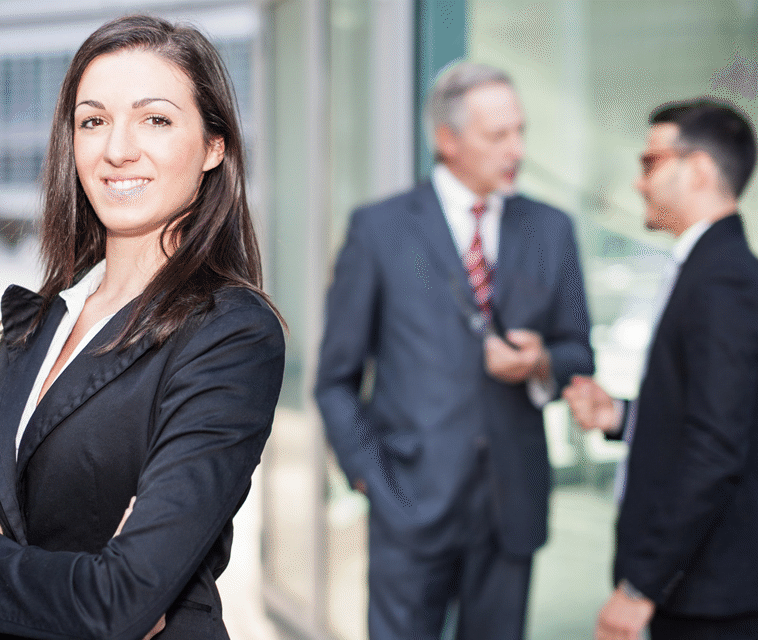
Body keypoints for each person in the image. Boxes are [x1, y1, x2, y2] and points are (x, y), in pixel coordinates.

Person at [0, 15, 285, 640]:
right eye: (93, 120)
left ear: (214, 146)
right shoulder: (41, 320)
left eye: (155, 119)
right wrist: (80, 587)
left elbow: (120, 602)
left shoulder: (229, 333)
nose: (117, 149)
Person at [314, 62, 593, 640]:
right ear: (448, 140)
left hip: (511, 507)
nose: (517, 148)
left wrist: (541, 363)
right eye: (499, 135)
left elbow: (578, 353)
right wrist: (369, 476)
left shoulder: (551, 229)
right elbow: (335, 379)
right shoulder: (378, 230)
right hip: (408, 503)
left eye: (521, 131)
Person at [563, 99, 758, 640]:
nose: (638, 183)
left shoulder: (723, 281)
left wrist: (639, 586)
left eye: (650, 163)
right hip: (697, 590)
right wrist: (620, 417)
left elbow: (717, 448)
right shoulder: (707, 269)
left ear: (698, 169)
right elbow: (715, 414)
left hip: (707, 597)